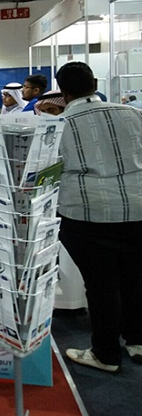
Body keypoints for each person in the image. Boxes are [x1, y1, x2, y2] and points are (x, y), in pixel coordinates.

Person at [55, 61, 142, 373]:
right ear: (94, 83)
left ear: (63, 92)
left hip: (86, 214)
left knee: (101, 284)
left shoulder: (59, 124)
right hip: (138, 208)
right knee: (135, 278)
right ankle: (137, 341)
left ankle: (106, 354)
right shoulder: (133, 113)